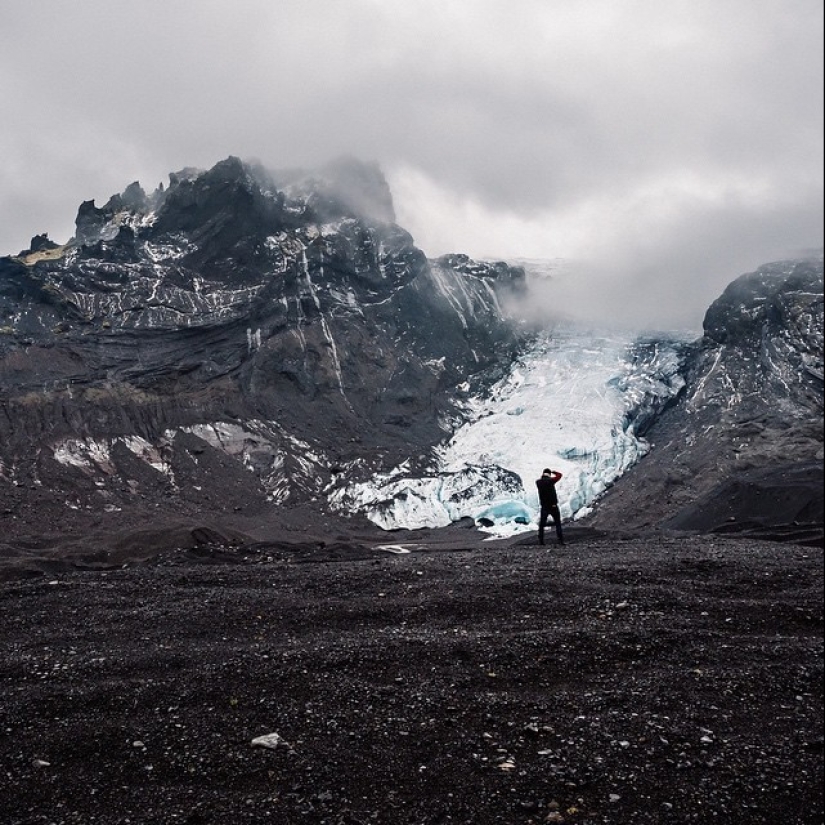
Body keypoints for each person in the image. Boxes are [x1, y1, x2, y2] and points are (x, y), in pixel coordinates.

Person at [536, 468, 565, 546]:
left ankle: (541, 541)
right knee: (557, 523)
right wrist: (554, 472)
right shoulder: (551, 481)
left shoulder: (538, 482)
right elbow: (559, 475)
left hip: (544, 506)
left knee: (542, 524)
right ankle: (560, 540)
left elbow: (542, 480)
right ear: (549, 474)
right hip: (553, 506)